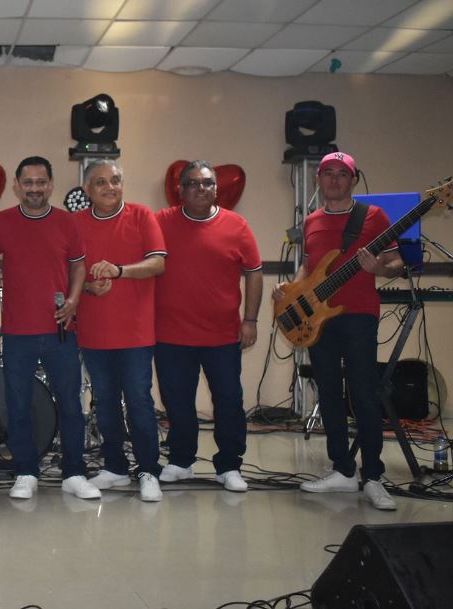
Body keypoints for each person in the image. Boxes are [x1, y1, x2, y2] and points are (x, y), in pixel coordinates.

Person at [273, 151, 402, 511]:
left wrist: (379, 268)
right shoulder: (311, 221)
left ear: (353, 180)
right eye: (327, 173)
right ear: (318, 180)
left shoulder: (374, 217)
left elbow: (396, 261)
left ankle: (373, 476)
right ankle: (342, 470)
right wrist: (290, 290)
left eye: (341, 174)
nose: (333, 179)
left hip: (359, 316)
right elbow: (308, 267)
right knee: (328, 393)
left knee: (363, 394)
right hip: (319, 320)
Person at [0, 156, 100, 501]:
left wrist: (73, 300)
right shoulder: (3, 222)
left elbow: (79, 267)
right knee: (18, 405)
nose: (35, 188)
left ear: (51, 184)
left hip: (60, 330)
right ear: (17, 185)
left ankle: (74, 473)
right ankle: (26, 472)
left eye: (41, 182)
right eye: (28, 182)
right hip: (18, 333)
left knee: (70, 405)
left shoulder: (66, 222)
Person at [154, 160, 263, 493]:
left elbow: (254, 273)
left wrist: (250, 320)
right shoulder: (160, 222)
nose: (200, 189)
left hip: (222, 335)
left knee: (228, 401)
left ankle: (229, 466)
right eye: (192, 183)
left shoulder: (237, 225)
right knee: (177, 402)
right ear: (180, 190)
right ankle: (181, 461)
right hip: (171, 334)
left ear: (216, 189)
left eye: (207, 183)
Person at [74, 160, 166, 502]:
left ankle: (148, 470)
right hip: (94, 332)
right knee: (105, 402)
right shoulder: (75, 223)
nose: (109, 187)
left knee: (139, 400)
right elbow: (66, 272)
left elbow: (158, 263)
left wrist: (118, 270)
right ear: (86, 190)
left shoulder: (142, 216)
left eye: (115, 180)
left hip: (135, 333)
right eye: (100, 182)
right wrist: (87, 287)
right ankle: (114, 467)